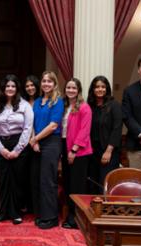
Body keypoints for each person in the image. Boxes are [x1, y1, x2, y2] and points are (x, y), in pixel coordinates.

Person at [0, 75, 33, 225]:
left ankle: (16, 212)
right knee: (3, 179)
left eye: (13, 86)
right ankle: (3, 212)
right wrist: (1, 149)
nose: (10, 89)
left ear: (17, 88)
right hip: (0, 145)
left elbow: (27, 129)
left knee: (17, 180)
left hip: (19, 144)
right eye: (7, 86)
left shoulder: (25, 105)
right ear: (3, 88)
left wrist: (17, 150)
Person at [30, 71, 64, 229]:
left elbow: (53, 125)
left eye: (49, 81)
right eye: (44, 81)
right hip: (36, 142)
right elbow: (31, 122)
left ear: (55, 84)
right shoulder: (37, 101)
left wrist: (36, 139)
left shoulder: (58, 101)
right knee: (37, 179)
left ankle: (51, 217)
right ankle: (41, 213)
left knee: (48, 180)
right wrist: (34, 140)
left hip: (51, 142)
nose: (46, 84)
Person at [60, 78, 93, 229]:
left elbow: (84, 132)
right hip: (64, 147)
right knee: (67, 184)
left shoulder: (84, 107)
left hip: (79, 151)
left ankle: (76, 219)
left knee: (77, 186)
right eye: (68, 87)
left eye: (74, 88)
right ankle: (70, 215)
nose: (71, 90)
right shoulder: (64, 105)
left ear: (78, 90)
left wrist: (74, 150)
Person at [87, 76, 123, 194]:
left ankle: (104, 210)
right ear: (93, 89)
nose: (100, 89)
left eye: (103, 87)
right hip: (92, 151)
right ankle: (92, 210)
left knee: (105, 183)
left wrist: (108, 151)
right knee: (92, 182)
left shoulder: (114, 105)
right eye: (97, 87)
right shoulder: (89, 106)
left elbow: (117, 129)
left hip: (108, 150)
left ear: (107, 89)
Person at [19, 75, 40, 212]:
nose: (30, 88)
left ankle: (34, 205)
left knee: (35, 175)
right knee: (23, 174)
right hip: (23, 142)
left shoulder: (41, 101)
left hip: (38, 142)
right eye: (27, 86)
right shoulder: (21, 102)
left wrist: (35, 139)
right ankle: (24, 204)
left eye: (32, 85)